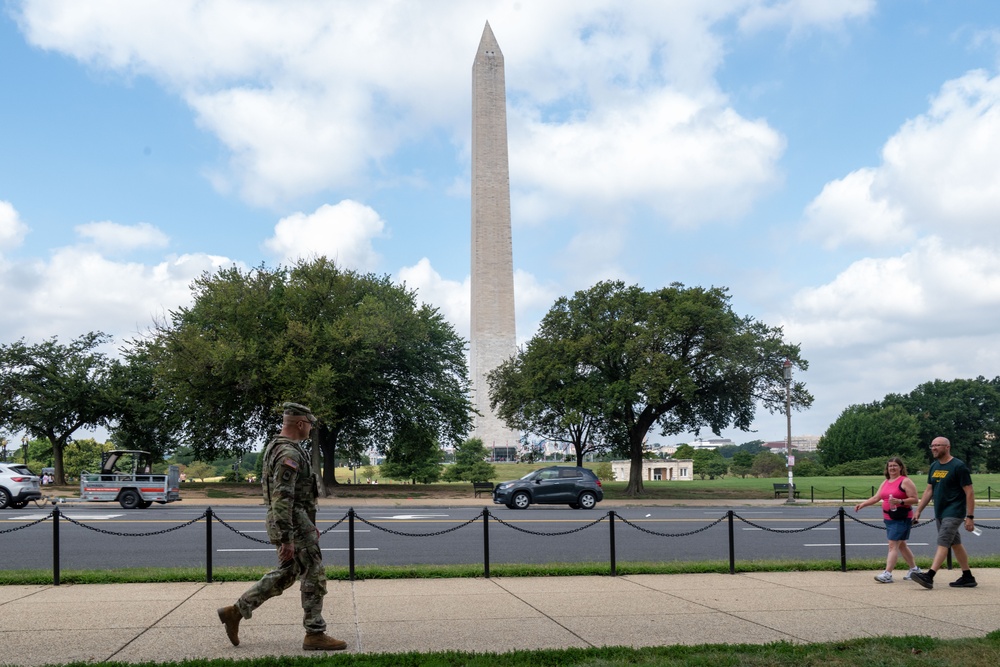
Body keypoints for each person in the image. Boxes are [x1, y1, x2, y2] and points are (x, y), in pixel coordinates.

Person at [217, 403, 346, 651]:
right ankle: (314, 633)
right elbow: (282, 497)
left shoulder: (277, 448)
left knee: (288, 573)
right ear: (300, 423)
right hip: (291, 520)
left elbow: (297, 495)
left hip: (295, 521)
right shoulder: (289, 453)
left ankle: (236, 611)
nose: (311, 429)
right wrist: (287, 537)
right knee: (314, 574)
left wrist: (307, 526)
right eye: (309, 424)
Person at [909, 436, 977, 589]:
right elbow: (929, 490)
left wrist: (970, 516)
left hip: (954, 511)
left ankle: (929, 576)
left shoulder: (958, 466)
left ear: (947, 447)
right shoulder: (934, 466)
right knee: (955, 543)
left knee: (943, 541)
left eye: (937, 445)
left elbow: (969, 492)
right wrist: (918, 510)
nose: (933, 448)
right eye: (932, 445)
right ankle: (968, 576)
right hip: (940, 511)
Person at [853, 457, 921, 583]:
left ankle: (888, 573)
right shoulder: (886, 482)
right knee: (901, 546)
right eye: (890, 466)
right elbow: (876, 497)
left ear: (901, 467)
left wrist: (900, 501)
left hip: (901, 517)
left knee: (893, 545)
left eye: (895, 465)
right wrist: (863, 504)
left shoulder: (905, 481)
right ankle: (915, 569)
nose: (892, 468)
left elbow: (915, 499)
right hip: (889, 517)